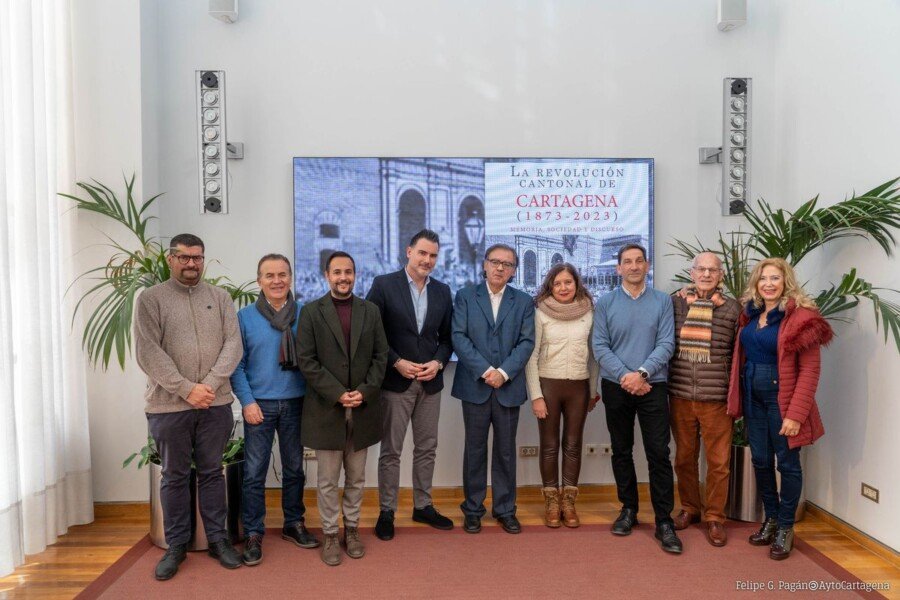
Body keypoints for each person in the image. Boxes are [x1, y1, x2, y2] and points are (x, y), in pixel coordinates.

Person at [134, 233, 244, 580]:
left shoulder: (220, 298)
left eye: (197, 257)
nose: (192, 263)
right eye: (184, 257)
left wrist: (207, 386)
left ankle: (218, 541)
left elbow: (233, 345)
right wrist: (185, 390)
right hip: (168, 406)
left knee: (212, 473)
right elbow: (147, 351)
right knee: (174, 476)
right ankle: (176, 546)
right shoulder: (151, 299)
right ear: (171, 259)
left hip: (214, 403)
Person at [727, 258, 832, 560]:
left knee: (787, 463)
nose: (768, 284)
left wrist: (796, 415)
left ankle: (786, 527)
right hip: (753, 395)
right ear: (756, 283)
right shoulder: (751, 313)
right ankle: (771, 519)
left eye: (775, 278)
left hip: (781, 397)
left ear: (786, 281)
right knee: (760, 460)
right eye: (763, 278)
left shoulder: (803, 318)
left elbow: (810, 371)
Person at [296, 251, 388, 566]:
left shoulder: (370, 311)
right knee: (327, 481)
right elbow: (307, 361)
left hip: (363, 408)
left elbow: (381, 356)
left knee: (357, 478)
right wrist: (337, 394)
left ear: (355, 275)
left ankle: (351, 530)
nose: (343, 277)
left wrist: (364, 391)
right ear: (327, 276)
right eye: (337, 272)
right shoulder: (311, 312)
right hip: (327, 409)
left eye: (348, 272)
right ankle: (330, 534)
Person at [231, 254, 320, 567]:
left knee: (295, 469)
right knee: (254, 473)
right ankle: (254, 532)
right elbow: (236, 366)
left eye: (282, 274)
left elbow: (316, 361)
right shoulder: (244, 318)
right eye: (269, 275)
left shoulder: (306, 314)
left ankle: (293, 523)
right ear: (259, 281)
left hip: (298, 403)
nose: (277, 280)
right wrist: (247, 402)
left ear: (291, 278)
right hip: (259, 405)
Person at [591, 243, 681, 554]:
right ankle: (628, 509)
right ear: (618, 268)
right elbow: (600, 346)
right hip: (616, 386)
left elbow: (666, 343)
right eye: (627, 262)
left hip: (652, 385)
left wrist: (641, 374)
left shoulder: (662, 301)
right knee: (621, 450)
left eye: (638, 261)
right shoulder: (605, 302)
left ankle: (664, 521)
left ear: (647, 265)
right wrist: (626, 376)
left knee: (659, 453)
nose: (633, 266)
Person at [367, 230, 455, 541]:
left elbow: (448, 339)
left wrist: (439, 362)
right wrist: (395, 362)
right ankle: (387, 511)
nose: (427, 260)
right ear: (409, 251)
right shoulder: (384, 285)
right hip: (395, 382)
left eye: (433, 255)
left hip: (430, 383)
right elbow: (372, 333)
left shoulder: (443, 291)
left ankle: (423, 505)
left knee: (427, 448)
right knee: (391, 451)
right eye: (422, 253)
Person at [451, 243, 535, 535]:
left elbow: (526, 342)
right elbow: (458, 337)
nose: (500, 268)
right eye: (495, 262)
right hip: (475, 386)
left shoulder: (523, 301)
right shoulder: (465, 297)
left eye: (507, 264)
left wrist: (503, 373)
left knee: (505, 452)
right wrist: (487, 371)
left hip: (508, 388)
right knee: (474, 450)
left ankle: (505, 510)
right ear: (485, 264)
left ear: (513, 271)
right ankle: (473, 510)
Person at [669, 252, 740, 547]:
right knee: (684, 459)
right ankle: (690, 508)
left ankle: (714, 517)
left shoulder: (733, 309)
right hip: (681, 394)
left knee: (719, 463)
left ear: (721, 275)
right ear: (692, 272)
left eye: (713, 270)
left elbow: (738, 355)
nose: (707, 275)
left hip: (716, 398)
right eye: (701, 269)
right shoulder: (676, 304)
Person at [525, 263, 600, 528]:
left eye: (568, 282)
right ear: (550, 286)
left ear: (576, 284)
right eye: (557, 283)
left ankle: (568, 502)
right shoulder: (540, 312)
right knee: (549, 445)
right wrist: (536, 395)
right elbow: (531, 356)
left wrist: (593, 391)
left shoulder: (589, 312)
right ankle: (551, 502)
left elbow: (593, 356)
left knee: (573, 444)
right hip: (548, 386)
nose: (563, 287)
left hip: (579, 387)